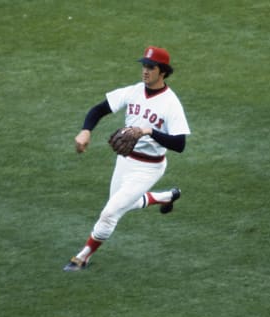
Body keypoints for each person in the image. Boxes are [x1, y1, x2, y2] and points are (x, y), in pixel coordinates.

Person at [63, 46, 191, 272]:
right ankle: (165, 197)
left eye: (151, 67)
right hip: (125, 161)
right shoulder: (133, 91)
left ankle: (83, 256)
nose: (145, 71)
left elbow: (180, 144)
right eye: (144, 66)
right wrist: (86, 131)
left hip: (149, 168)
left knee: (110, 213)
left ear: (162, 72)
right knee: (121, 205)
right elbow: (98, 110)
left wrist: (149, 131)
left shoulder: (170, 103)